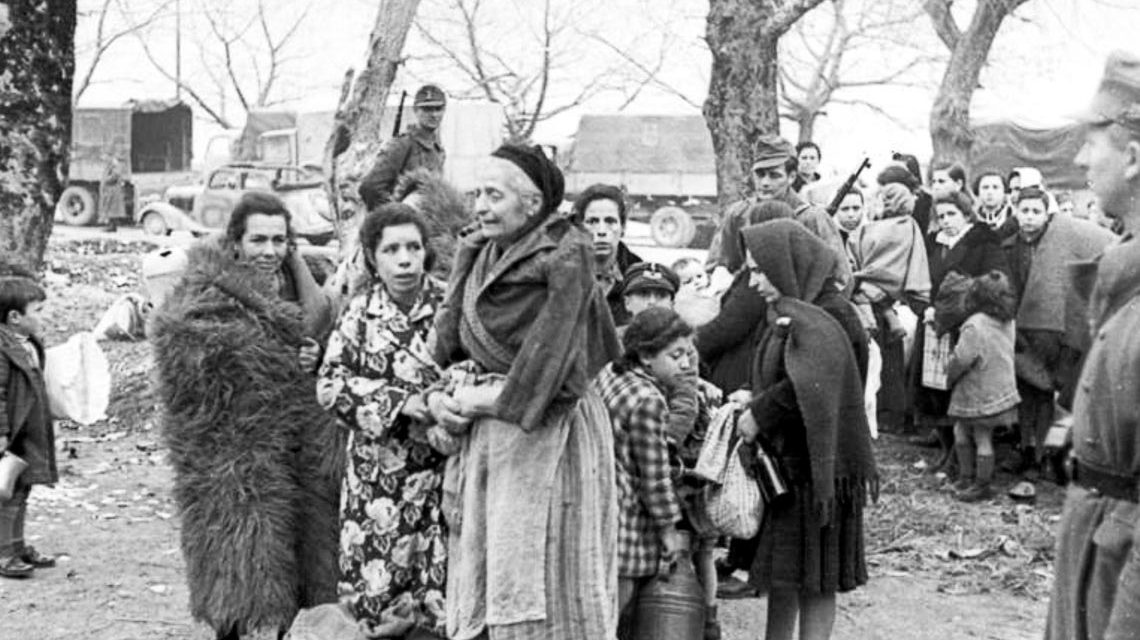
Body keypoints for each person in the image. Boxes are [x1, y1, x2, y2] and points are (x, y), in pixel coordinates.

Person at [430, 143, 621, 640]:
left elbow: (555, 372)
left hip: (552, 435)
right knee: (497, 570)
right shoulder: (482, 249)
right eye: (478, 193)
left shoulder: (567, 254)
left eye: (494, 195)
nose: (480, 206)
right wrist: (450, 397)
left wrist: (481, 401)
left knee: (550, 576)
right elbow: (449, 346)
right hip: (493, 434)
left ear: (531, 204)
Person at [149, 192, 339, 640]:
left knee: (304, 574)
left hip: (299, 453)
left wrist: (317, 356)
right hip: (233, 463)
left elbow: (326, 338)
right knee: (239, 577)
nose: (269, 252)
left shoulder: (302, 286)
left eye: (279, 240)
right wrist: (276, 358)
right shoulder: (204, 290)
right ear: (235, 241)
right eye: (258, 240)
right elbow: (186, 353)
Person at [733, 220, 876, 640]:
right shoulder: (789, 309)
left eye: (761, 270)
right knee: (784, 574)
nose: (754, 281)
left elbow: (812, 386)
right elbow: (782, 371)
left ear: (787, 263)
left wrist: (761, 411)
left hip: (818, 469)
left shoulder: (832, 316)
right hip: (788, 464)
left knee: (816, 579)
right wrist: (749, 394)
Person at [316, 204, 452, 639]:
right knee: (375, 602)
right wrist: (399, 402)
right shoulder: (358, 314)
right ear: (373, 257)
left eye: (413, 247)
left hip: (443, 474)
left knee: (442, 595)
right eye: (392, 249)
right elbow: (330, 387)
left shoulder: (450, 305)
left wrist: (446, 401)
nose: (405, 259)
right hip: (378, 486)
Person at [1046, 50, 1140, 640]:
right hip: (1098, 548)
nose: (1080, 158)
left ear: (1132, 157)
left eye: (1092, 141)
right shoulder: (1124, 276)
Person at [594, 307, 717, 639]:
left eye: (688, 354)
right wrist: (668, 531)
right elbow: (655, 476)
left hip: (600, 504)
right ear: (646, 355)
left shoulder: (612, 374)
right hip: (628, 519)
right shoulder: (649, 401)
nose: (687, 364)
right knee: (615, 607)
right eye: (675, 355)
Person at [1001, 186, 1115, 477]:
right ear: (1015, 211)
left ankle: (1043, 456)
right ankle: (1025, 450)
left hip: (1051, 331)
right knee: (1024, 394)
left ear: (1046, 214)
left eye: (1036, 211)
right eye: (1024, 210)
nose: (1029, 217)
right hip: (1018, 328)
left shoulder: (1062, 239)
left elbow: (1103, 246)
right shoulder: (1008, 246)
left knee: (1046, 395)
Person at [911, 191, 1008, 447]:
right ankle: (944, 450)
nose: (946, 220)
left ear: (966, 215)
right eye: (941, 216)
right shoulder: (934, 242)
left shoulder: (983, 241)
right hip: (933, 322)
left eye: (952, 214)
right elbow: (920, 278)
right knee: (933, 387)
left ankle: (960, 456)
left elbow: (992, 281)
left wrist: (951, 309)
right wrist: (926, 308)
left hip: (965, 323)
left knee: (958, 388)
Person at [706, 134, 850, 292]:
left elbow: (841, 278)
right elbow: (719, 265)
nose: (765, 183)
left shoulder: (812, 218)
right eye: (760, 175)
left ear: (792, 177)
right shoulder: (738, 214)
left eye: (774, 175)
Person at [0, 270, 57, 579]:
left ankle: (17, 545)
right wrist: (1, 433)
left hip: (30, 429)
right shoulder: (2, 348)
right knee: (8, 493)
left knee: (24, 489)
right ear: (14, 317)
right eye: (38, 311)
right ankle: (5, 553)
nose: (42, 316)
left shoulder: (27, 342)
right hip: (13, 432)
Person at [944, 271, 1020, 502]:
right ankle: (973, 480)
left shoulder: (974, 325)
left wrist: (949, 369)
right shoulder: (1008, 321)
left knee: (971, 434)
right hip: (1001, 388)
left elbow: (963, 358)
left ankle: (977, 482)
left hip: (977, 390)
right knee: (975, 434)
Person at [359, 84, 448, 210]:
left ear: (444, 110)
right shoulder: (402, 145)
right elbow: (370, 187)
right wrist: (396, 216)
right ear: (416, 110)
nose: (433, 114)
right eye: (427, 109)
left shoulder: (438, 150)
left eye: (438, 109)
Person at [573, 184, 644, 326]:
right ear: (579, 228)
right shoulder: (560, 273)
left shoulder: (639, 277)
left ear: (623, 228)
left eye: (610, 221)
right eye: (592, 221)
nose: (601, 231)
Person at [972, 171, 1018, 240]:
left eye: (995, 187)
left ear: (1004, 192)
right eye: (985, 187)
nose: (990, 192)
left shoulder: (1015, 219)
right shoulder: (970, 220)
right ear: (977, 192)